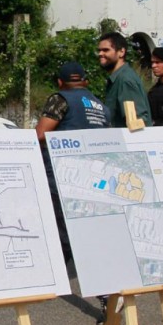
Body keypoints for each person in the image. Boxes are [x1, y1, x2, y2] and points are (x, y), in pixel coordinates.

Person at [35, 61, 108, 262]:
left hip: (61, 175)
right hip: (91, 177)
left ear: (60, 82)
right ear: (85, 81)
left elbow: (41, 134)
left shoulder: (60, 99)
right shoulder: (100, 105)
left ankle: (59, 271)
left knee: (60, 230)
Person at [97, 32, 153, 128]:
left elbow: (137, 121)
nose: (100, 54)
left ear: (121, 52)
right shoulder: (117, 78)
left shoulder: (125, 80)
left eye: (106, 50)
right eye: (99, 50)